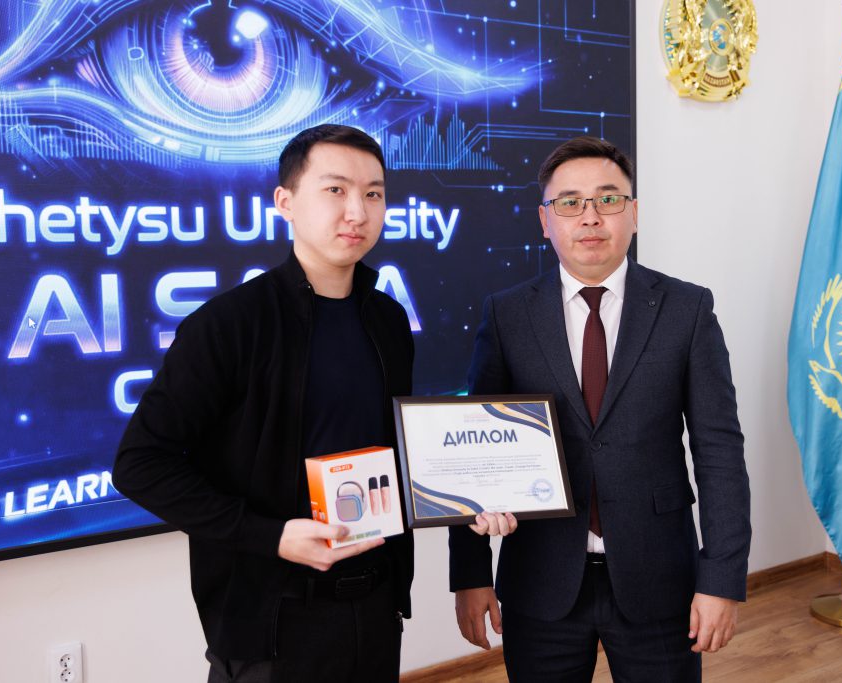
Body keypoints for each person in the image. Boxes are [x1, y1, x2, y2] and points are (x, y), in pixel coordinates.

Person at [113, 124, 415, 682]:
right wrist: (271, 536)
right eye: (335, 190)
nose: (357, 211)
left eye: (373, 193)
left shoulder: (389, 321)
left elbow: (395, 451)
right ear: (286, 202)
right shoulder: (228, 324)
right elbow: (139, 465)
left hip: (374, 605)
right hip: (270, 621)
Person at [448, 136, 751, 682]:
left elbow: (720, 453)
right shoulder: (508, 315)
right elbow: (470, 455)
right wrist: (470, 575)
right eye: (570, 202)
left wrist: (722, 579)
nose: (590, 217)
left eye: (608, 199)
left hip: (660, 578)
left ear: (633, 213)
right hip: (540, 581)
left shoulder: (686, 309)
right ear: (545, 220)